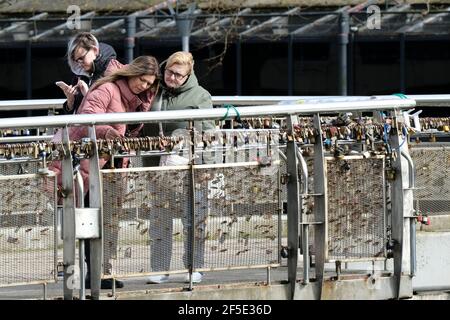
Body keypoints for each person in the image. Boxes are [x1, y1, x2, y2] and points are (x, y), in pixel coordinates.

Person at [49, 55, 161, 289]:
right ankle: (91, 274)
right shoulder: (108, 89)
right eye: (142, 80)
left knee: (106, 221)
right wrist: (108, 130)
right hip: (91, 166)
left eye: (149, 84)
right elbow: (87, 117)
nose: (144, 86)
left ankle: (100, 272)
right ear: (132, 73)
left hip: (109, 166)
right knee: (92, 222)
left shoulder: (133, 99)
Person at [142, 51, 215, 284]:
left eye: (178, 75)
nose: (172, 77)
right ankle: (159, 268)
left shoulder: (201, 96)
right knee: (160, 217)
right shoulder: (153, 91)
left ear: (188, 75)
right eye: (169, 72)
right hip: (158, 167)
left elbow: (209, 134)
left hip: (190, 166)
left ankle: (194, 266)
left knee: (194, 217)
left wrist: (207, 167)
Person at [56, 32, 119, 115]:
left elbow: (112, 109)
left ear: (95, 50)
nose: (79, 63)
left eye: (82, 58)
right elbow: (76, 111)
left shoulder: (111, 71)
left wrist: (88, 95)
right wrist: (70, 102)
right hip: (83, 126)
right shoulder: (80, 74)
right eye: (77, 60)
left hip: (101, 126)